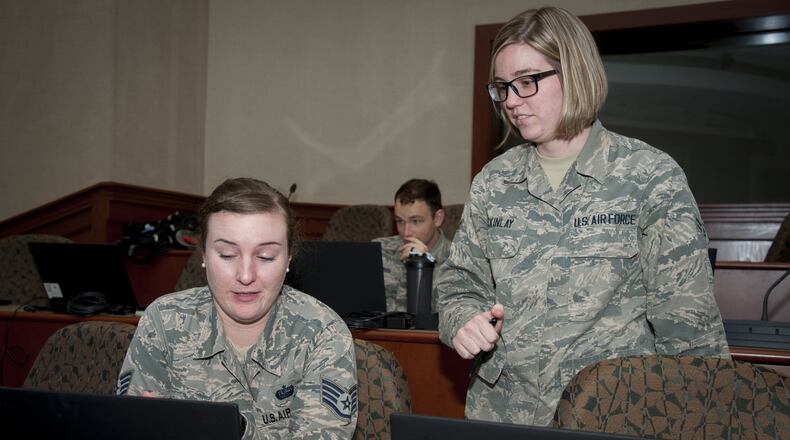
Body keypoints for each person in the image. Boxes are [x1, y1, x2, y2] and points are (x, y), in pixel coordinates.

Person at [437, 7, 730, 427]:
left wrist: (703, 422)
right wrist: (462, 318)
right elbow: (458, 282)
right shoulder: (494, 181)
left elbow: (687, 323)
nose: (512, 101)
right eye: (503, 87)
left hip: (613, 415)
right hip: (503, 415)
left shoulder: (648, 175)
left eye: (527, 82)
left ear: (574, 73)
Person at [117, 178, 358, 439]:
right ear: (203, 255)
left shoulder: (322, 331)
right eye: (227, 255)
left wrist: (225, 429)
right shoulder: (164, 322)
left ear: (288, 258)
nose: (245, 275)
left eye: (265, 256)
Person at [373, 179, 452, 312]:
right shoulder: (379, 250)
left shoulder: (458, 259)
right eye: (400, 221)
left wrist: (421, 265)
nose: (406, 232)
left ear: (437, 218)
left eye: (416, 221)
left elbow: (444, 317)